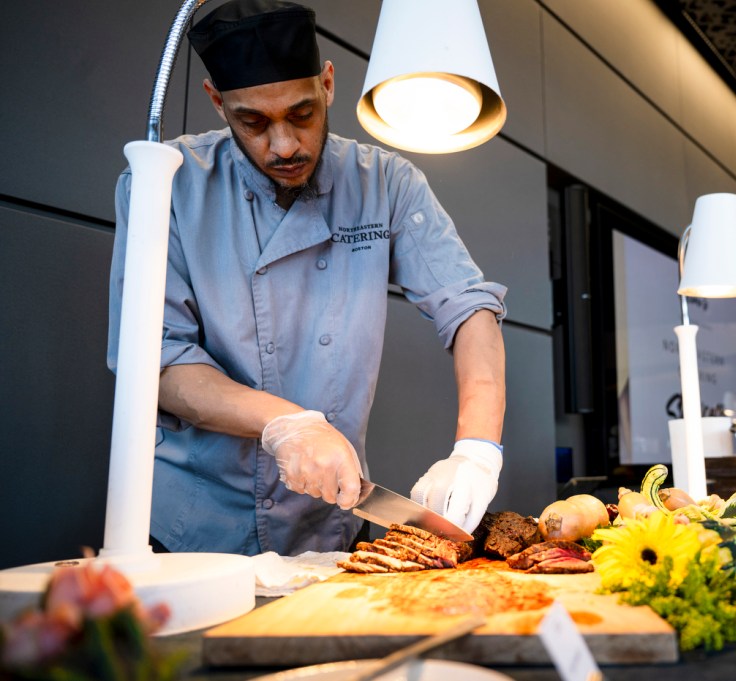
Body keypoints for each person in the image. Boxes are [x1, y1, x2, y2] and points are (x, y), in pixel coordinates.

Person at [106, 0, 507, 556]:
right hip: (193, 529)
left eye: (301, 113)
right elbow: (157, 362)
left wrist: (477, 448)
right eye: (253, 121)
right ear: (218, 102)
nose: (284, 145)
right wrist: (285, 424)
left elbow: (468, 308)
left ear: (328, 84)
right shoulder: (167, 183)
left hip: (331, 523)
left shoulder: (385, 182)